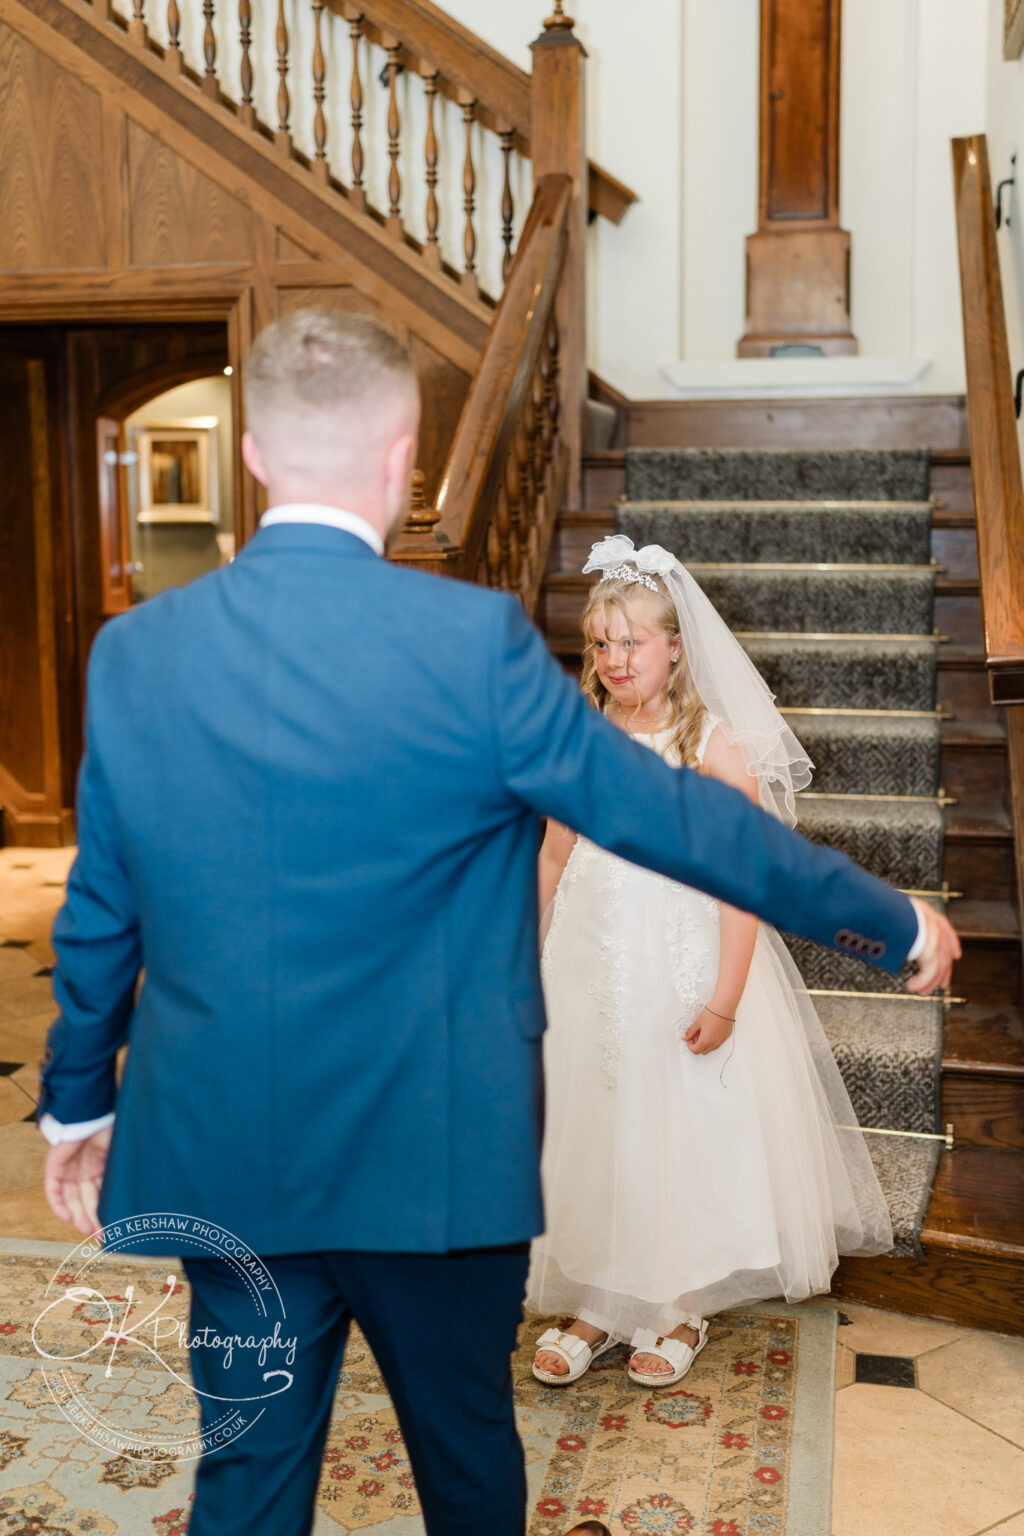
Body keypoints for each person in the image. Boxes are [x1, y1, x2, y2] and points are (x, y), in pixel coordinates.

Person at [36, 310, 959, 1536]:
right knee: (467, 1468)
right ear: (405, 455)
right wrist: (882, 917)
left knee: (246, 1477)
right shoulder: (471, 645)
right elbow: (674, 820)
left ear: (254, 455)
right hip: (436, 1157)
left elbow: (102, 902)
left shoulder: (138, 653)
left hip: (231, 1150)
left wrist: (77, 1105)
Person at [529, 539, 901, 1389]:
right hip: (586, 963)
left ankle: (674, 1303)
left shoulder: (710, 745)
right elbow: (554, 856)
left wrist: (727, 997)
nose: (615, 660)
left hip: (682, 965)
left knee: (678, 1129)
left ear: (673, 648)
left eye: (633, 642)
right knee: (594, 1124)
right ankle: (600, 1297)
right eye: (602, 644)